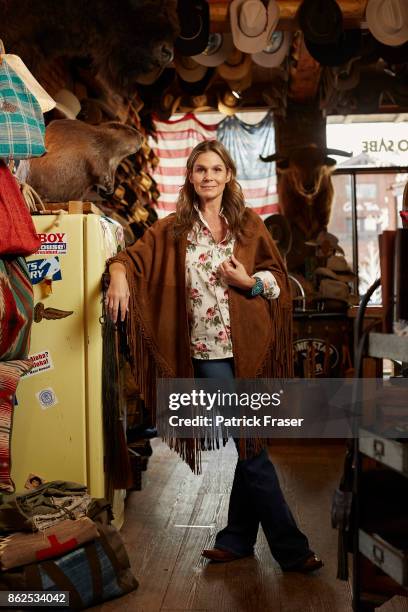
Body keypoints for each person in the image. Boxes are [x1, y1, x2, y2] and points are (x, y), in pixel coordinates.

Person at [106, 140, 322, 572]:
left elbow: (276, 278)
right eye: (200, 169)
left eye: (216, 169)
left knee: (249, 446)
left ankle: (236, 538)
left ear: (228, 176)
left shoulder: (248, 227)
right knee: (253, 448)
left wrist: (251, 282)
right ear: (190, 177)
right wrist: (117, 276)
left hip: (250, 351)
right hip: (206, 354)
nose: (208, 176)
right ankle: (291, 548)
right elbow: (129, 258)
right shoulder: (172, 230)